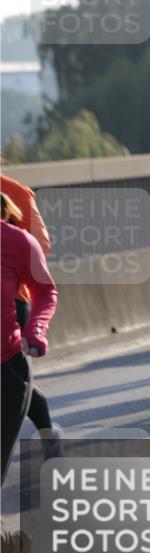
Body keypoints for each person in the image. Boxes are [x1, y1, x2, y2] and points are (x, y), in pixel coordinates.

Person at [1, 192, 57, 553]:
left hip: (6, 372)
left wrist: (36, 330)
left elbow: (44, 290)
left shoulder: (17, 241)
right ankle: (9, 545)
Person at [0, 171, 62, 457]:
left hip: (12, 299)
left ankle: (47, 432)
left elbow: (41, 244)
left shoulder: (17, 193)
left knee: (14, 380)